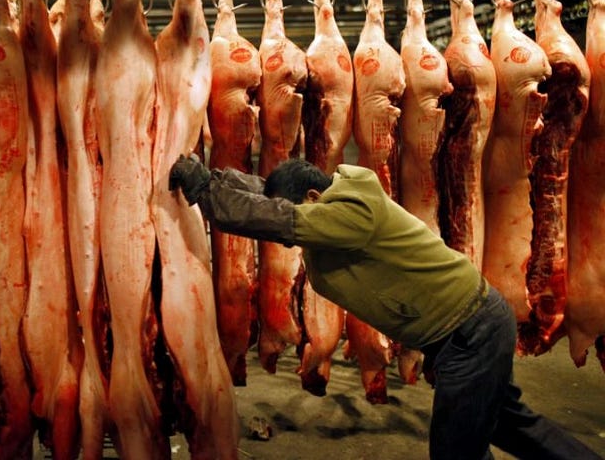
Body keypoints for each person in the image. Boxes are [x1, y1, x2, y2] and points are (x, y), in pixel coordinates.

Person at [168, 154, 602, 460]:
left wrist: (206, 189)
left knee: (457, 451)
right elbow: (268, 201)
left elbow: (276, 218)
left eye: (301, 209)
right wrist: (219, 177)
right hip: (468, 326)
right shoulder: (335, 201)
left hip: (470, 331)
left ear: (315, 196)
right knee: (508, 423)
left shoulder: (352, 211)